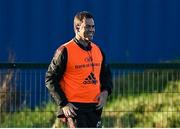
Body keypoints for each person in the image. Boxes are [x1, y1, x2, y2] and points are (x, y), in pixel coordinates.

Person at [45, 11, 113, 128]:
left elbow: (106, 75)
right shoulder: (64, 51)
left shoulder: (98, 50)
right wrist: (64, 104)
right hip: (74, 109)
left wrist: (105, 92)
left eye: (93, 26)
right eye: (87, 26)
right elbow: (50, 78)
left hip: (94, 108)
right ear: (77, 27)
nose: (91, 30)